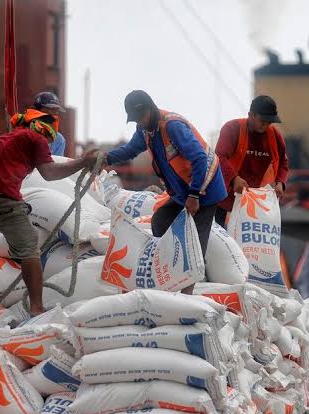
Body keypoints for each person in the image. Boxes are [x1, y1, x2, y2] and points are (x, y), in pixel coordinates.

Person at [0, 92, 99, 315]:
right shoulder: (37, 138)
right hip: (4, 200)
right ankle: (37, 307)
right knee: (29, 249)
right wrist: (83, 161)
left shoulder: (7, 137)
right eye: (54, 115)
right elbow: (49, 172)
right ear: (48, 119)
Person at [97, 90, 226, 293]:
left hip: (204, 189)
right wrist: (106, 159)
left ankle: (187, 293)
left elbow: (200, 158)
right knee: (160, 221)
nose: (139, 122)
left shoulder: (172, 126)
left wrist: (194, 195)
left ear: (150, 108)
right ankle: (169, 274)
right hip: (182, 191)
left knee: (194, 241)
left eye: (141, 117)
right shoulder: (145, 130)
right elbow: (131, 149)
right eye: (136, 120)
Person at [214, 95, 289, 227]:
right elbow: (220, 157)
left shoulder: (275, 136)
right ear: (251, 114)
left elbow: (283, 162)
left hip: (253, 202)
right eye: (262, 120)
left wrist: (280, 183)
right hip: (223, 198)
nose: (266, 125)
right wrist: (234, 178)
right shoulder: (233, 128)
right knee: (219, 240)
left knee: (249, 244)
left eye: (269, 121)